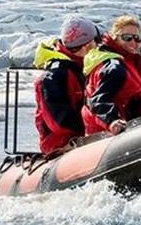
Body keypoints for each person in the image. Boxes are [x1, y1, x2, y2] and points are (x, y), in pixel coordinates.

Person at [33, 15, 99, 155]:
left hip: (91, 138)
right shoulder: (54, 77)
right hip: (63, 146)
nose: (94, 47)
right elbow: (60, 122)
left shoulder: (89, 68)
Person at [82, 15, 141, 136]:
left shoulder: (130, 63)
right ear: (115, 38)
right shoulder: (114, 67)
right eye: (127, 38)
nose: (133, 42)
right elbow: (99, 100)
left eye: (137, 38)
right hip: (110, 135)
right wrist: (113, 121)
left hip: (126, 129)